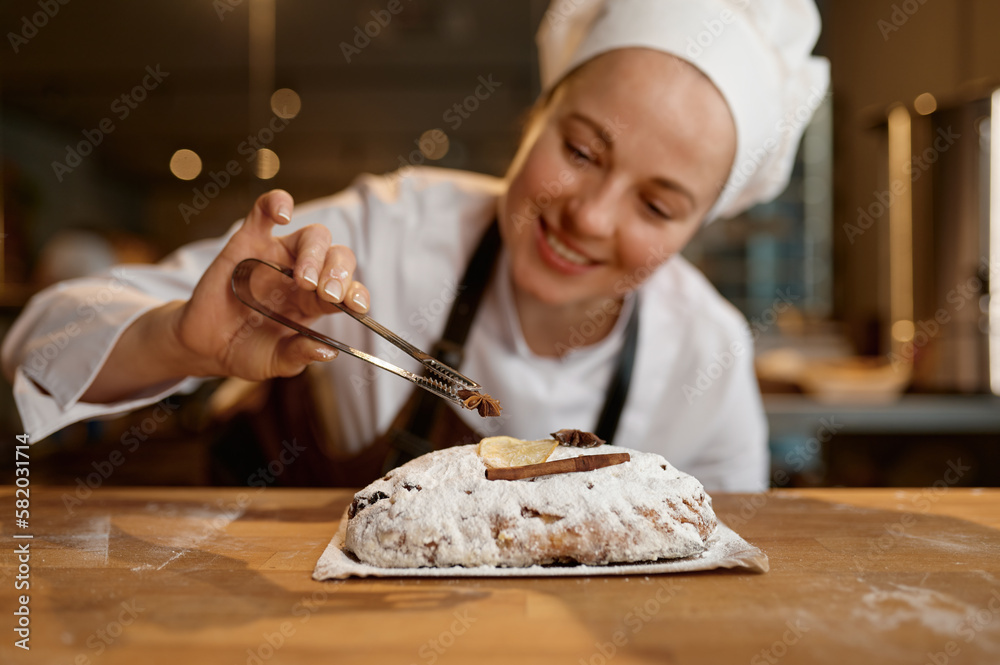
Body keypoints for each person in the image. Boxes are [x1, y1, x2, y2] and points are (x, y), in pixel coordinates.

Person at [2, 0, 828, 492]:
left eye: (657, 202)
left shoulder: (707, 351)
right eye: (579, 150)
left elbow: (719, 576)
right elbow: (39, 344)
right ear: (534, 114)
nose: (592, 217)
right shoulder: (390, 232)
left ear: (701, 226)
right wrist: (175, 338)